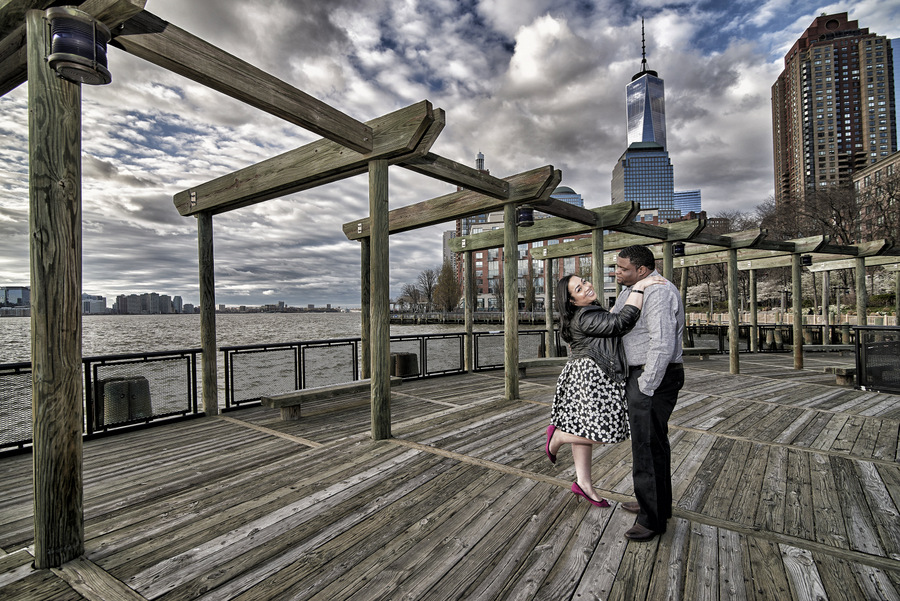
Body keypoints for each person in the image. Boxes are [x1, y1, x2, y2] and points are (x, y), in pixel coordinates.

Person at [545, 272, 666, 508]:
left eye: (585, 282)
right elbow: (620, 323)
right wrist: (639, 288)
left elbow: (607, 324)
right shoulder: (585, 314)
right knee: (609, 432)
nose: (587, 287)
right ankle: (558, 436)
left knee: (584, 427)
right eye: (579, 289)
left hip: (587, 374)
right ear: (572, 301)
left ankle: (583, 483)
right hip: (591, 377)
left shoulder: (587, 310)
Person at [612, 245, 685, 541]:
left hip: (652, 375)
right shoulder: (635, 288)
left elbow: (663, 341)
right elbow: (615, 321)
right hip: (642, 374)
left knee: (646, 446)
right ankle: (654, 504)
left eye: (622, 269)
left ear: (641, 269)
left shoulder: (659, 292)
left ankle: (651, 520)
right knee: (653, 443)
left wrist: (646, 385)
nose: (616, 273)